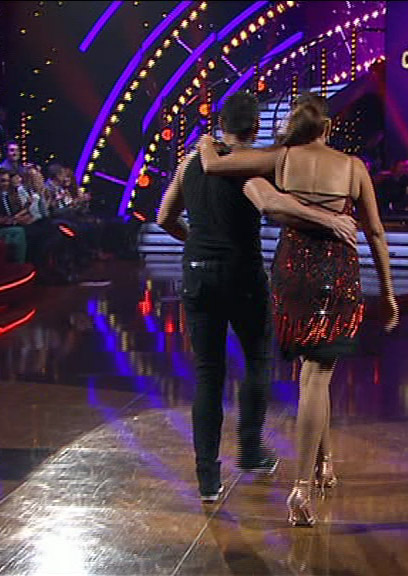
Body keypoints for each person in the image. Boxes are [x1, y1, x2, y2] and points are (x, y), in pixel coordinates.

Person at [197, 93, 398, 526]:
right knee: (318, 378)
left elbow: (213, 165)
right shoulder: (353, 167)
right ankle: (302, 486)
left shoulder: (281, 158)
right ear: (327, 128)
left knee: (311, 376)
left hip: (291, 275)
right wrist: (389, 293)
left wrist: (205, 143)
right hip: (336, 275)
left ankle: (325, 462)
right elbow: (377, 234)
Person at [157, 92, 358, 503]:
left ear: (221, 124)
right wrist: (329, 218)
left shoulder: (189, 163)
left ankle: (208, 479)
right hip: (242, 276)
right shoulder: (248, 169)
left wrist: (196, 242)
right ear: (255, 129)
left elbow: (163, 217)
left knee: (208, 374)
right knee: (256, 361)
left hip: (197, 274)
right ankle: (250, 451)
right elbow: (271, 203)